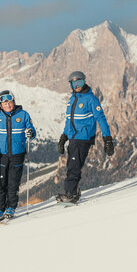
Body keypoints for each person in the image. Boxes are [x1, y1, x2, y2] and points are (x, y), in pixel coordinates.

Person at [56, 71, 114, 203]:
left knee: (74, 166)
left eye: (79, 83)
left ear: (84, 82)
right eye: (73, 83)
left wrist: (107, 139)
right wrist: (63, 137)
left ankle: (70, 194)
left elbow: (101, 118)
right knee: (71, 165)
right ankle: (73, 192)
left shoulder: (91, 99)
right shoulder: (72, 100)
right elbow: (69, 121)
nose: (77, 86)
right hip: (73, 138)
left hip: (83, 138)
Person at [0, 90, 36, 221]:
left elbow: (31, 129)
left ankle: (11, 207)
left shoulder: (23, 115)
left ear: (13, 101)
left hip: (17, 153)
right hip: (1, 154)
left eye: (9, 101)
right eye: (4, 102)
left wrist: (30, 133)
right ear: (0, 104)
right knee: (1, 182)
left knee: (13, 182)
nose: (7, 104)